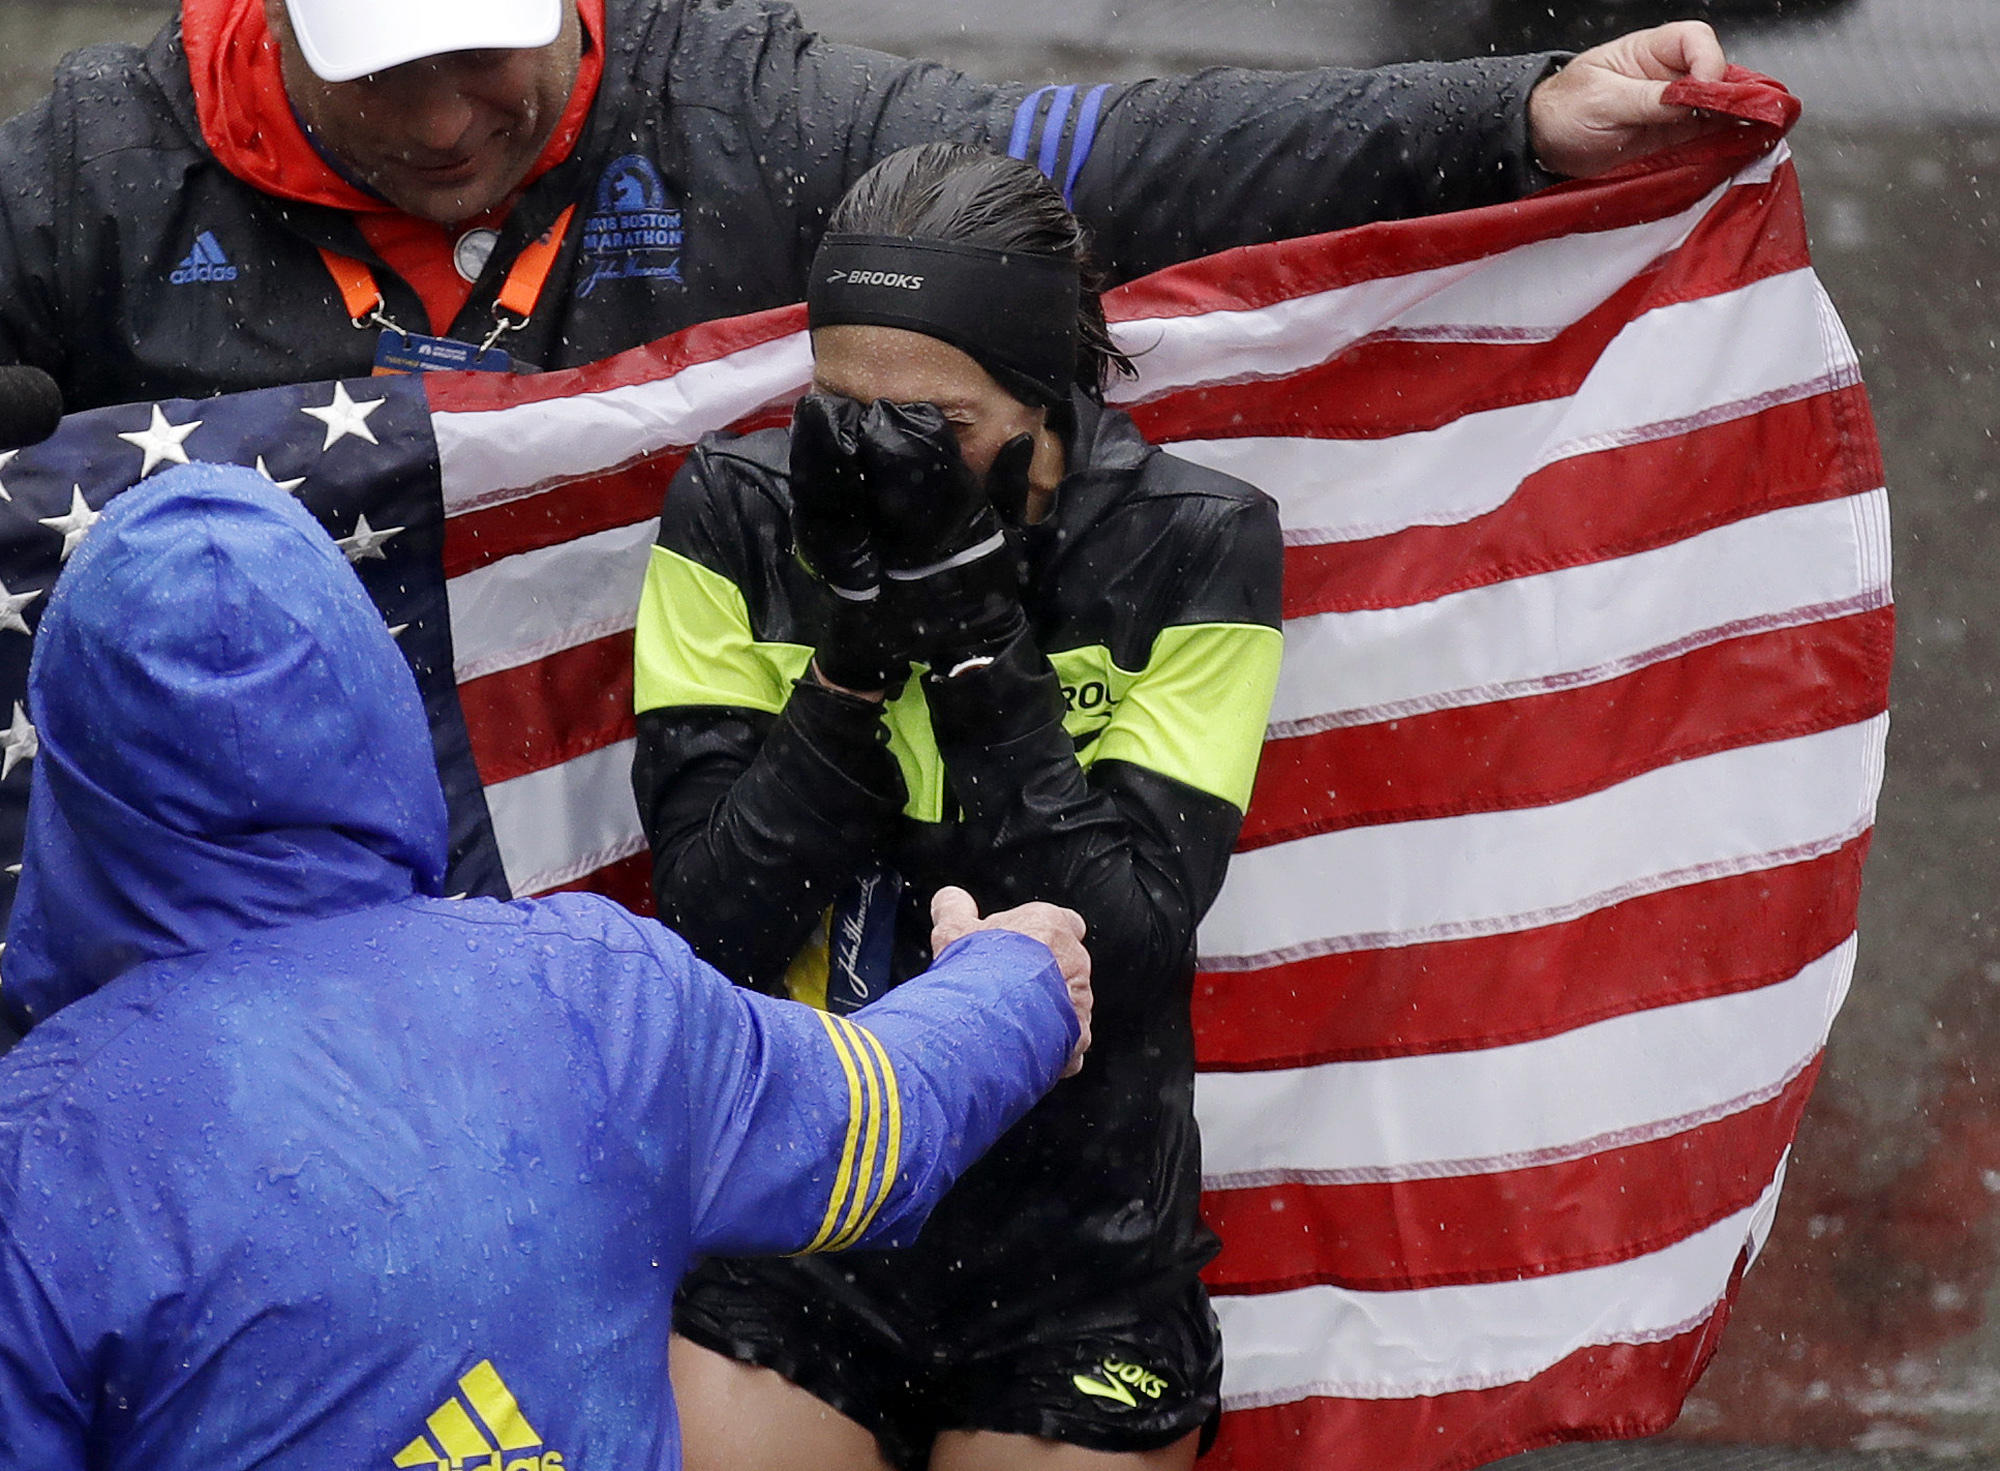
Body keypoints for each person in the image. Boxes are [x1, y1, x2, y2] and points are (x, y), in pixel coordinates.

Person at [0, 460, 1098, 1470]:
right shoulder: (588, 992)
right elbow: (880, 1119)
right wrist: (1021, 978)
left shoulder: (35, 1153)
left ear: (79, 787)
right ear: (372, 703)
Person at [631, 141, 1283, 1471]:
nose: (879, 457)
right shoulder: (738, 518)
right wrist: (852, 664)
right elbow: (712, 923)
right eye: (843, 409)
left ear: (1049, 403)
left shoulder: (1193, 543)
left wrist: (983, 642)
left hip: (1073, 1246)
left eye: (935, 424)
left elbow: (1138, 943)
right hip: (801, 1193)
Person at [0, 0, 1734, 410]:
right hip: (272, 919)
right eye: (390, 78)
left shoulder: (733, 98)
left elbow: (1097, 162)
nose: (453, 121)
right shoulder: (98, 165)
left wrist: (1503, 112)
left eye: (489, 54)